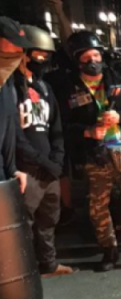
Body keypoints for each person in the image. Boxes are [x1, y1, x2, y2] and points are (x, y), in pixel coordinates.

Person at [58, 31, 121, 272]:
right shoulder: (67, 88)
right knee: (98, 206)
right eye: (86, 57)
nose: (93, 61)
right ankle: (109, 250)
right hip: (96, 156)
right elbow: (62, 125)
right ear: (77, 60)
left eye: (96, 55)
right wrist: (87, 132)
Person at [12, 25, 71, 276]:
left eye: (47, 55)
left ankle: (48, 263)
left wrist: (57, 159)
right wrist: (40, 161)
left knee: (49, 218)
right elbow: (12, 134)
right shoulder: (9, 88)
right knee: (23, 222)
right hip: (26, 168)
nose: (43, 60)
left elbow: (56, 126)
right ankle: (23, 270)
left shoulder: (44, 87)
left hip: (49, 168)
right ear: (24, 53)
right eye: (39, 54)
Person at [0, 17, 31, 191]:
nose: (18, 51)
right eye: (12, 44)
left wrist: (12, 169)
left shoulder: (6, 85)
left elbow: (9, 129)